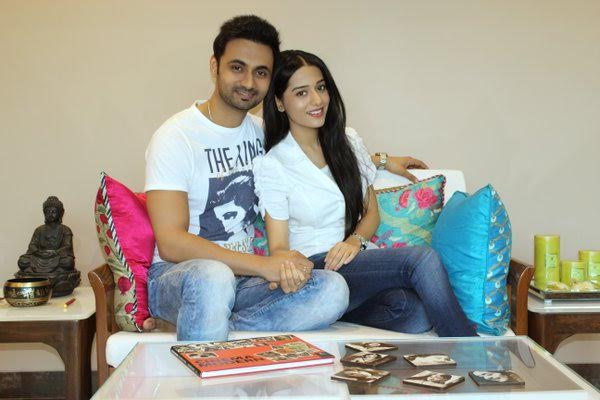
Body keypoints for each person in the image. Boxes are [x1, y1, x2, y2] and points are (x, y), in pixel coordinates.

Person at [144, 16, 350, 341]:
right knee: (213, 277)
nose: (249, 82)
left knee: (332, 289)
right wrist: (264, 265)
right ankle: (203, 348)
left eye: (261, 72)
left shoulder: (263, 132)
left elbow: (322, 150)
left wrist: (381, 161)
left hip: (244, 281)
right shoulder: (176, 137)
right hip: (179, 276)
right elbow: (171, 243)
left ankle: (217, 328)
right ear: (215, 66)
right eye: (237, 68)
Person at [255, 50, 477, 337]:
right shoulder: (273, 165)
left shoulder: (347, 141)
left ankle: (337, 309)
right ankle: (469, 347)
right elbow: (279, 248)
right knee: (421, 259)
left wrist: (354, 241)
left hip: (354, 260)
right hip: (317, 267)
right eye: (301, 93)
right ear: (279, 102)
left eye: (321, 88)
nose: (317, 100)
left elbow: (371, 213)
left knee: (415, 315)